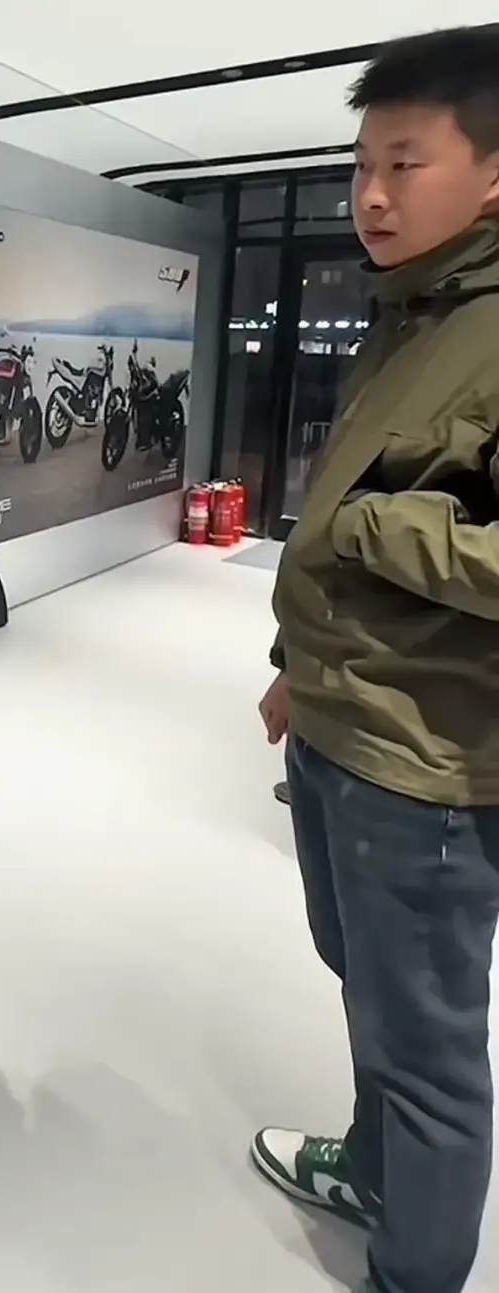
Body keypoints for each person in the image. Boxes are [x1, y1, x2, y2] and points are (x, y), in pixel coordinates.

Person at [251, 26, 499, 1293]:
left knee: (431, 1054)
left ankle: (419, 1270)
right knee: (371, 992)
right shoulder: (411, 317)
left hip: (431, 763)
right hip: (347, 722)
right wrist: (297, 660)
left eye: (406, 163)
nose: (373, 195)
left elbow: (373, 518)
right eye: (361, 167)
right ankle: (371, 1167)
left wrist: (376, 528)